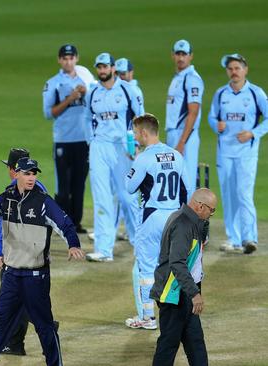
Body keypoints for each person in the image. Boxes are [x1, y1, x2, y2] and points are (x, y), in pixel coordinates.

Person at [0, 157, 84, 366]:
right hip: (11, 275)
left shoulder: (43, 201)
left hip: (36, 277)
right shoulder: (7, 198)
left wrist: (73, 245)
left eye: (34, 174)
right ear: (17, 174)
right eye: (27, 173)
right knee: (0, 325)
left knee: (44, 327)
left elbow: (65, 224)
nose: (31, 178)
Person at [125, 114, 187, 330]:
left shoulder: (143, 158)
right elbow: (187, 190)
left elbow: (129, 187)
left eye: (135, 133)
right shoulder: (176, 155)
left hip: (152, 218)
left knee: (145, 268)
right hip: (175, 218)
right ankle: (177, 314)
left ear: (143, 132)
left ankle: (148, 317)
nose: (134, 137)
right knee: (173, 265)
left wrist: (134, 159)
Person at [84, 52, 143, 262]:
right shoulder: (93, 93)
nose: (101, 71)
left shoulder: (129, 90)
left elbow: (140, 117)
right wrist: (91, 143)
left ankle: (140, 243)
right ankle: (104, 249)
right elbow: (87, 119)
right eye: (98, 67)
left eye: (105, 67)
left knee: (127, 197)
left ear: (112, 69)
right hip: (100, 146)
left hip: (122, 148)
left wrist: (136, 144)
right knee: (101, 198)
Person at [208, 54, 267, 255]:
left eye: (237, 68)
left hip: (246, 153)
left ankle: (249, 238)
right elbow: (211, 117)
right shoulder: (220, 94)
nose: (234, 72)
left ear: (245, 69)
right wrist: (216, 125)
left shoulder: (255, 93)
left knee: (243, 193)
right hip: (225, 152)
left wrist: (253, 133)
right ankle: (233, 238)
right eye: (230, 68)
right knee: (228, 195)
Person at [150, 188, 216, 366]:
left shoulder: (190, 221)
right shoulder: (183, 224)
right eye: (212, 210)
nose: (212, 214)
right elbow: (177, 263)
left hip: (183, 294)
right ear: (200, 206)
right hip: (174, 295)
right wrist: (195, 294)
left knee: (196, 345)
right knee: (168, 345)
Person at [0, 148, 48, 356]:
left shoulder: (14, 189)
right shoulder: (39, 186)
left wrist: (0, 251)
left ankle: (17, 342)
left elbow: (6, 226)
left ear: (13, 169)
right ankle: (35, 330)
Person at [42, 44, 90, 233]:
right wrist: (69, 99)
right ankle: (59, 222)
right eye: (64, 58)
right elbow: (48, 113)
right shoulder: (52, 83)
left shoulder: (87, 81)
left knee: (79, 185)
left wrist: (86, 94)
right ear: (59, 60)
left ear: (76, 59)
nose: (68, 61)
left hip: (84, 140)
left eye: (71, 58)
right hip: (63, 140)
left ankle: (75, 223)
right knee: (63, 187)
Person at [165, 40, 204, 198]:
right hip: (175, 133)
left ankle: (188, 222)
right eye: (178, 54)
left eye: (184, 54)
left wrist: (182, 142)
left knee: (186, 183)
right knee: (174, 181)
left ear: (191, 56)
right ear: (173, 56)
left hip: (185, 135)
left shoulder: (192, 79)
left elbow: (193, 112)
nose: (181, 58)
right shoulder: (178, 78)